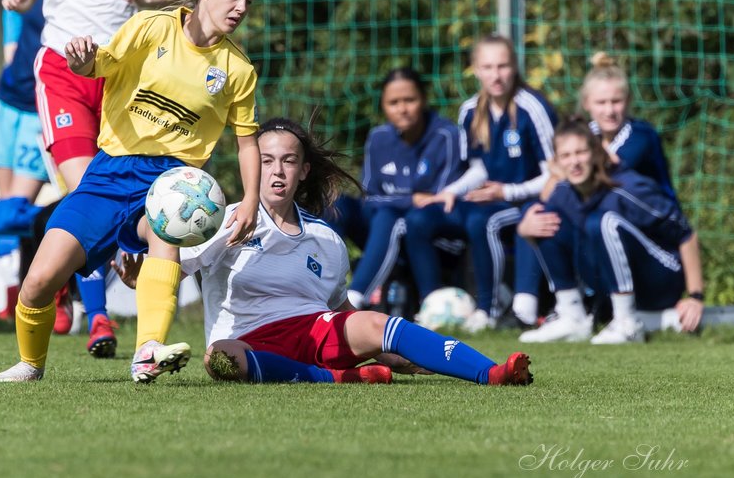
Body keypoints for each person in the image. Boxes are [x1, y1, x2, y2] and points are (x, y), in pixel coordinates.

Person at [0, 0, 262, 384]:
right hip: (109, 172)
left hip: (172, 180)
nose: (242, 7)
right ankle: (30, 364)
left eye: (249, 0)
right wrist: (81, 63)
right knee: (38, 282)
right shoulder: (152, 27)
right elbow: (102, 64)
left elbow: (247, 141)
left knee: (166, 227)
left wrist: (250, 199)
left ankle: (148, 350)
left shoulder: (238, 70)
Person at [115, 118, 533, 387]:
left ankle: (491, 372)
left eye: (289, 161)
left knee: (374, 321)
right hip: (247, 343)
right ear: (251, 167)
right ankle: (335, 379)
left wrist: (408, 356)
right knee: (220, 359)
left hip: (314, 329)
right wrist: (144, 276)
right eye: (266, 161)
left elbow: (347, 315)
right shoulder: (224, 220)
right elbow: (171, 271)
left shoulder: (326, 239)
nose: (277, 171)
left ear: (303, 170)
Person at [2, 0, 182, 354]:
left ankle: (118, 261)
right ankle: (99, 319)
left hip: (124, 74)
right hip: (62, 70)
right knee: (86, 191)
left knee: (114, 196)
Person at [517, 117, 704, 344]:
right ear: (556, 162)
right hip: (611, 285)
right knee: (544, 220)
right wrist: (525, 230)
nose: (574, 162)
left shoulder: (629, 188)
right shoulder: (563, 193)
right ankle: (572, 317)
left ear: (596, 152)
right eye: (566, 156)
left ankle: (627, 324)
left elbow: (686, 234)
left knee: (603, 222)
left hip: (661, 279)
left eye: (581, 152)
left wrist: (695, 296)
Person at [415, 33, 557, 331]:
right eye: (488, 67)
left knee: (483, 222)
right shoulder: (470, 110)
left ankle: (488, 310)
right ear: (476, 69)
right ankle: (427, 306)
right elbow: (478, 169)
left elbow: (554, 173)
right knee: (418, 220)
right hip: (489, 199)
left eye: (503, 66)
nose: (496, 75)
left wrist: (507, 190)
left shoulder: (532, 107)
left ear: (514, 67)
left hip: (526, 201)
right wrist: (450, 192)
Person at [335, 68, 465, 310]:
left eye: (410, 100)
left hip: (431, 236)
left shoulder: (446, 136)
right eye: (394, 102)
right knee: (337, 206)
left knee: (391, 217)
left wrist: (396, 202)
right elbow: (369, 197)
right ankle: (320, 287)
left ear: (423, 100)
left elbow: (437, 202)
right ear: (384, 105)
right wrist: (410, 199)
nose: (402, 109)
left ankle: (354, 299)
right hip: (380, 231)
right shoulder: (378, 137)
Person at [0, 0, 50, 202]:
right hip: (8, 98)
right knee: (5, 202)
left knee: (17, 203)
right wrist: (10, 49)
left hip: (41, 107)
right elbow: (13, 2)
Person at [578, 52, 676, 199]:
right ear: (586, 103)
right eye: (601, 102)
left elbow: (611, 168)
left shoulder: (642, 135)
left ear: (628, 100)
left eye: (616, 101)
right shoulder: (584, 133)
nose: (609, 111)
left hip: (654, 216)